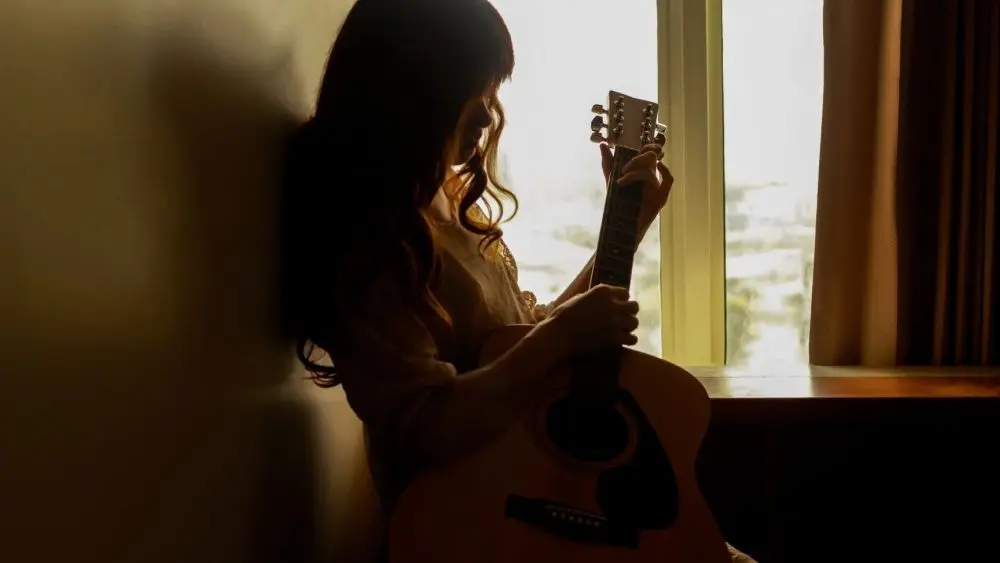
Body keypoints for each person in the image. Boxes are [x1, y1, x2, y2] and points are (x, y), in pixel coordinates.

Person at [280, 1, 754, 561]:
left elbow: (517, 343)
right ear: (411, 90)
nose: (487, 117)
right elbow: (423, 430)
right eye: (473, 92)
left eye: (491, 93)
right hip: (468, 525)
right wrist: (559, 338)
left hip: (518, 489)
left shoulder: (446, 202)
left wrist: (626, 226)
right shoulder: (372, 240)